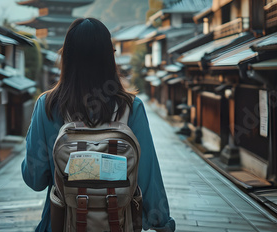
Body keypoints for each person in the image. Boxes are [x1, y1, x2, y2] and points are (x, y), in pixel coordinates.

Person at [21, 18, 175, 232]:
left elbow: (35, 180)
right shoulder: (131, 107)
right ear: (110, 57)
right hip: (118, 223)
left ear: (66, 57)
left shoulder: (48, 106)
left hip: (60, 223)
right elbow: (149, 178)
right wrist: (162, 223)